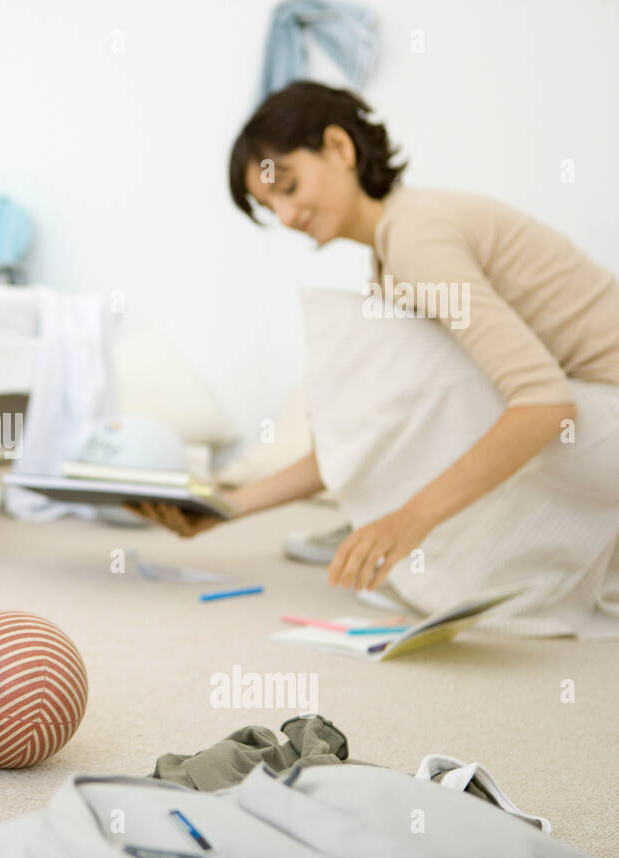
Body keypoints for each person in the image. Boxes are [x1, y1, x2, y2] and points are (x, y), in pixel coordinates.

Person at [132, 80, 619, 598]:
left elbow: (546, 405)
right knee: (391, 378)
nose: (289, 218)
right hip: (597, 425)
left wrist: (409, 519)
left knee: (415, 379)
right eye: (271, 208)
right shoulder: (397, 247)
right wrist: (226, 508)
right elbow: (369, 433)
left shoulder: (417, 237)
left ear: (340, 148)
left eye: (289, 187)